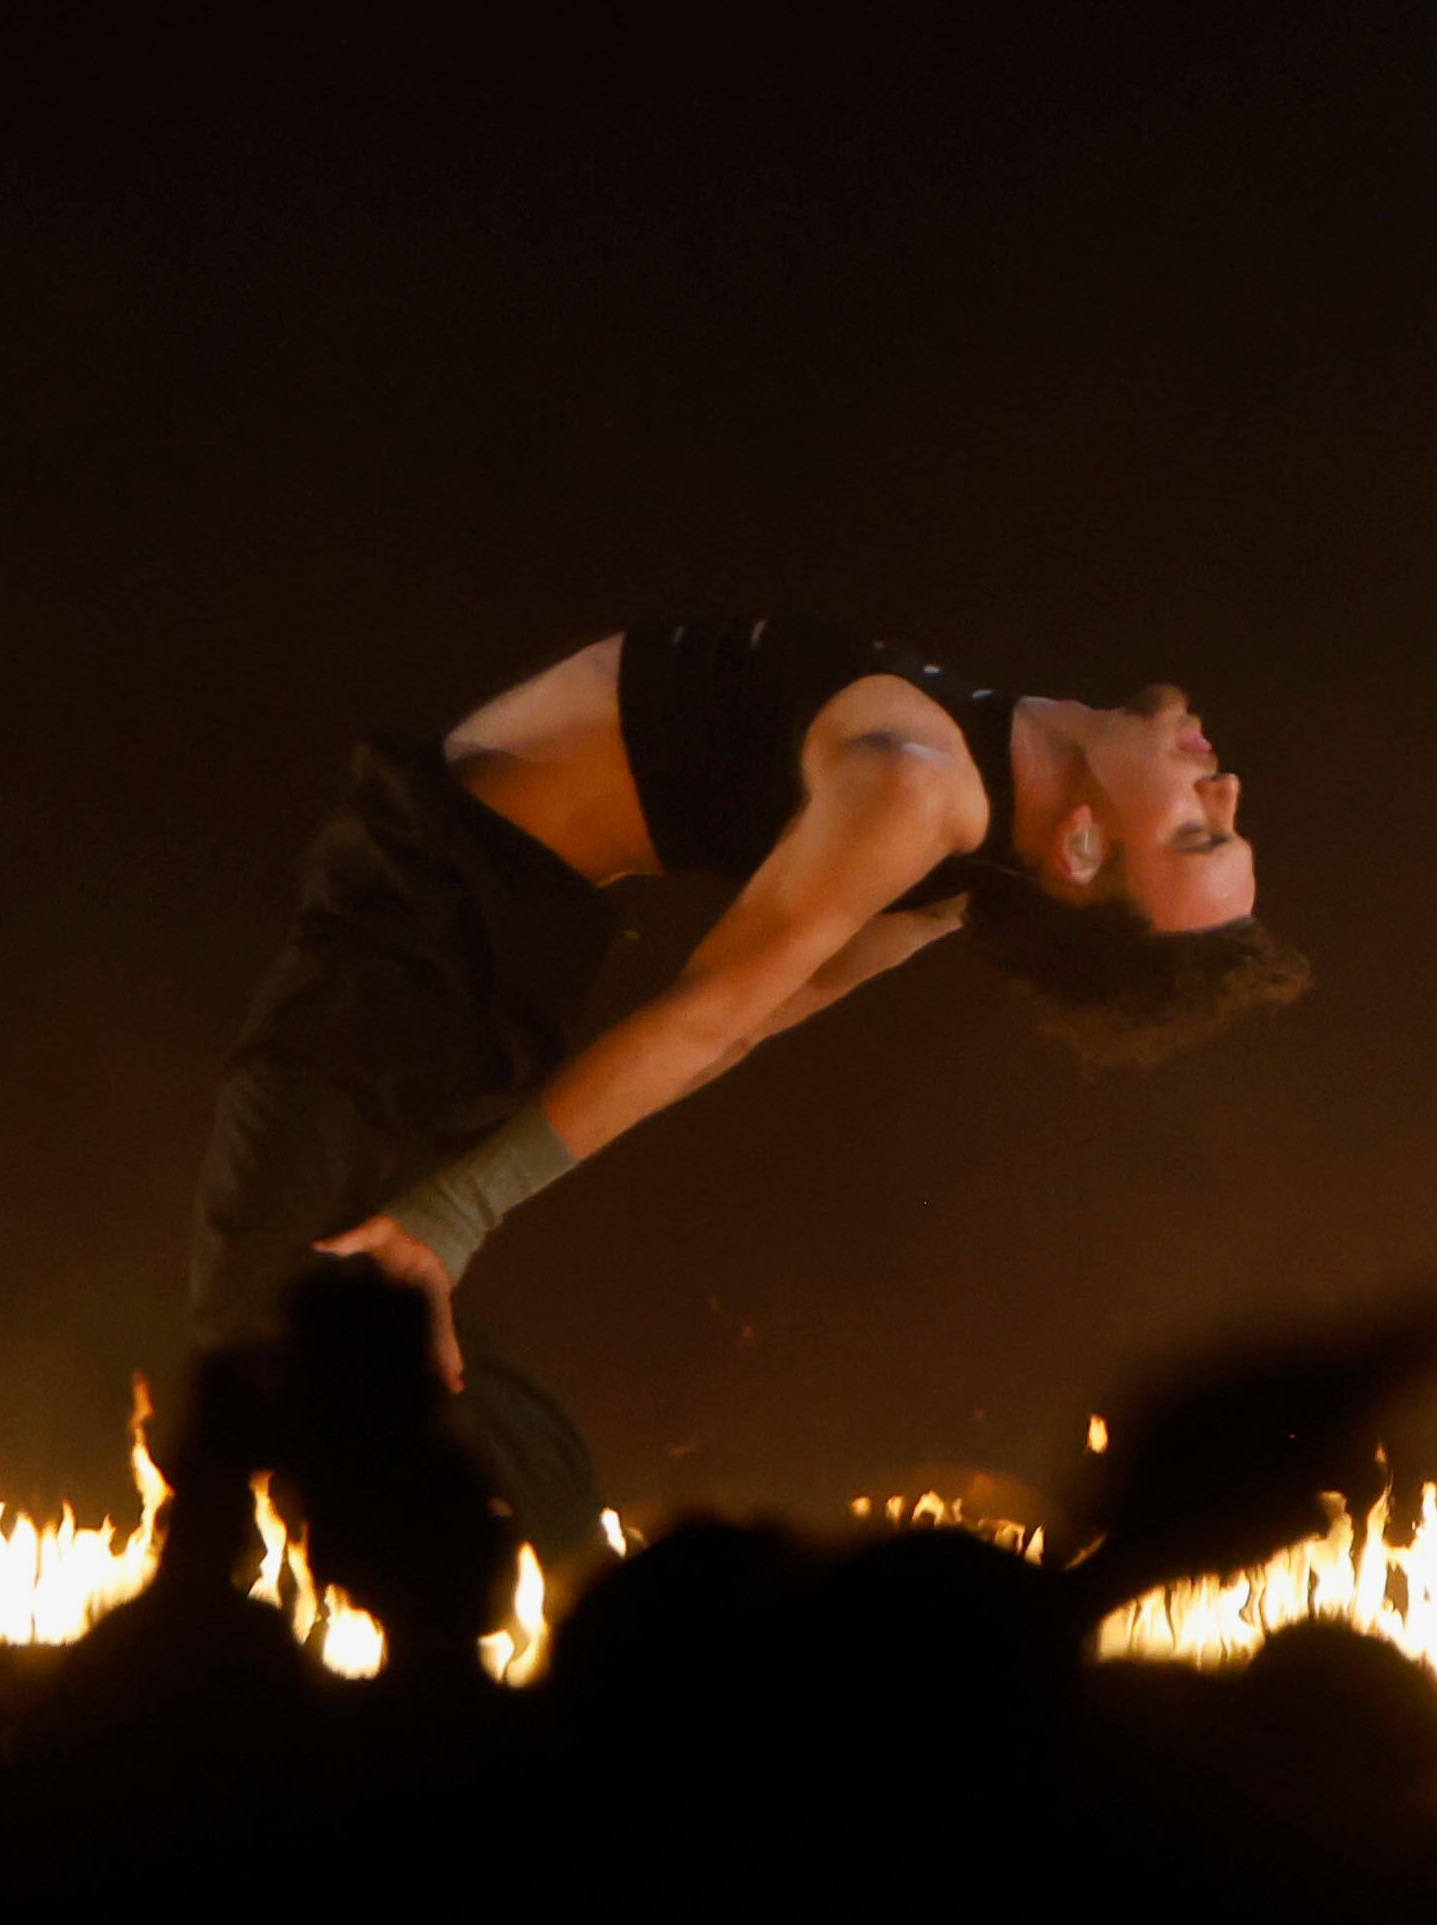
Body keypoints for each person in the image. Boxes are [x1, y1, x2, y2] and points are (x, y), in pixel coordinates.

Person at [189, 620, 1306, 1561]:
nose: (1227, 785)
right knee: (330, 1304)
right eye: (1225, 819)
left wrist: (457, 1210)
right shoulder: (959, 838)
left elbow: (723, 1020)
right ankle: (560, 1572)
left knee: (274, 1294)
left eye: (1197, 832)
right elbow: (742, 1017)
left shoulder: (919, 791)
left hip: (432, 918)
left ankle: (531, 1588)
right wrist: (446, 1217)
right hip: (482, 932)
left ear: (1081, 849)